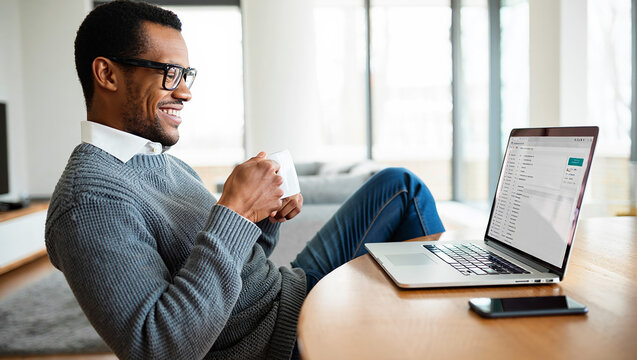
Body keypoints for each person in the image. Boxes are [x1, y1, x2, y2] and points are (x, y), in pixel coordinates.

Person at [45, 1, 445, 359]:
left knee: (400, 187)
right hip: (279, 339)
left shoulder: (162, 161)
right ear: (107, 75)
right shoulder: (88, 202)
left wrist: (263, 216)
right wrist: (234, 212)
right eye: (169, 73)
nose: (184, 92)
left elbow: (236, 267)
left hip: (286, 293)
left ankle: (430, 310)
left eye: (186, 74)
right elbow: (160, 347)